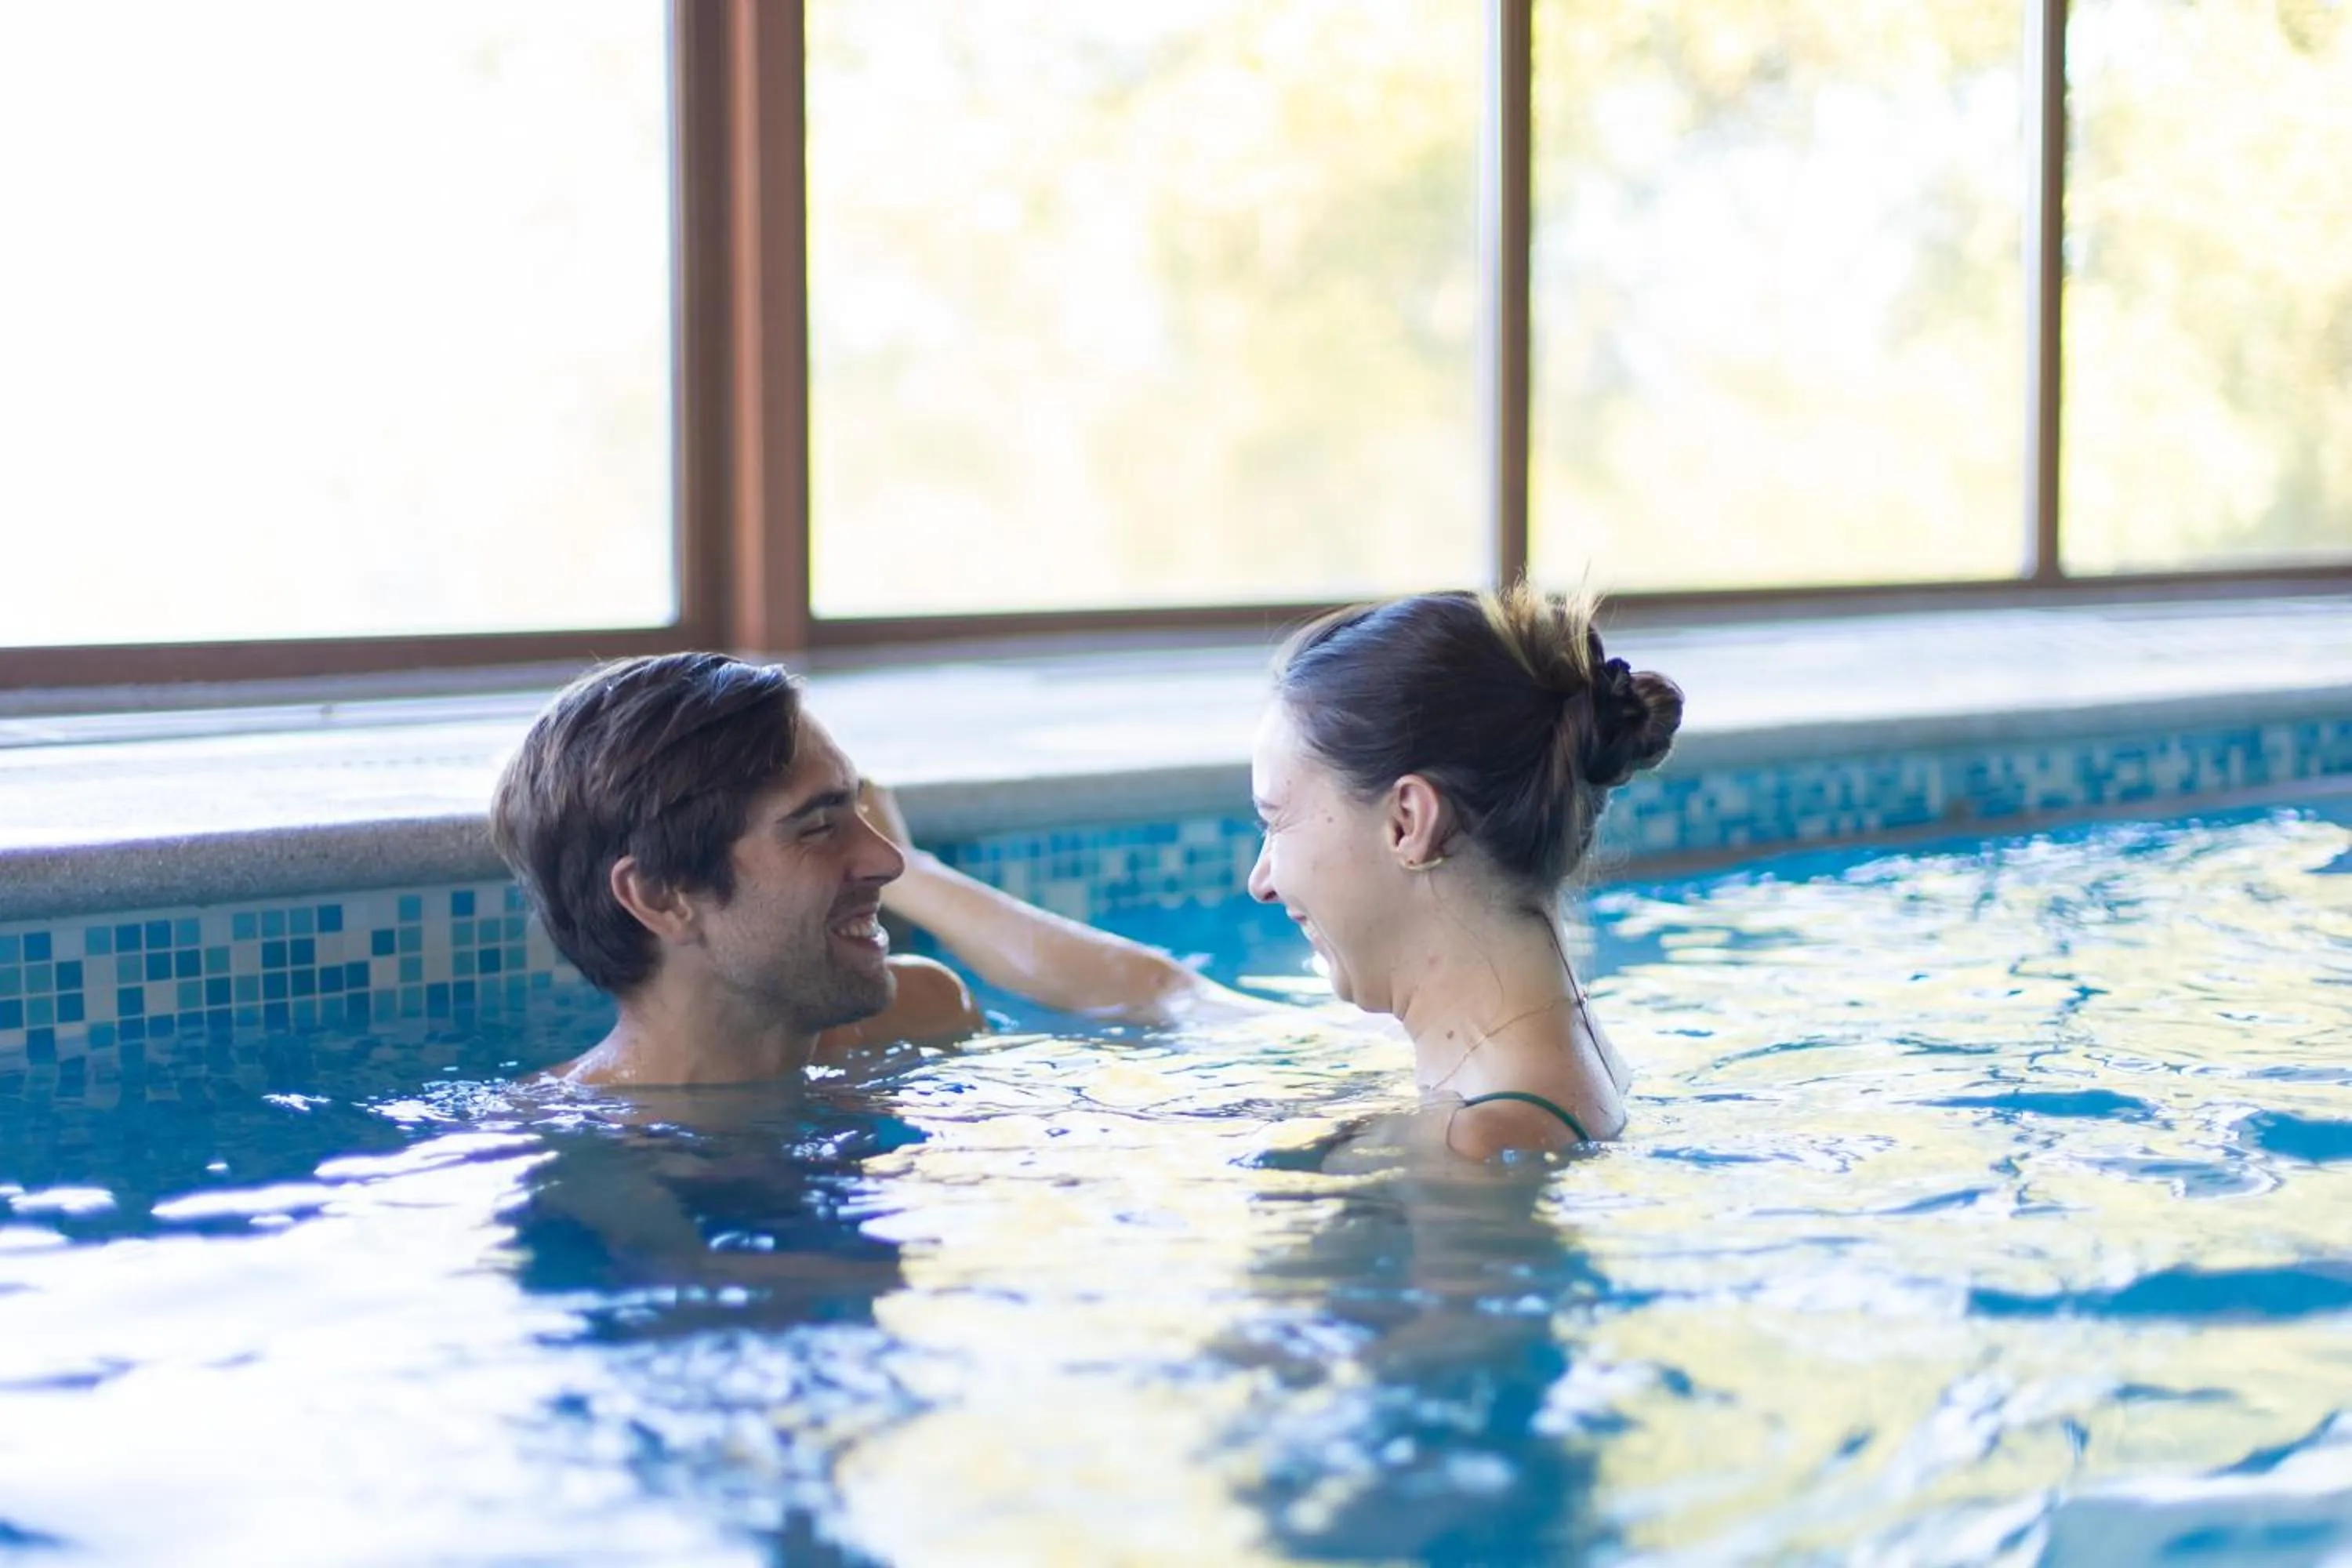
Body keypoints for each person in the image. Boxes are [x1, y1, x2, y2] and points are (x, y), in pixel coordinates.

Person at [879, 585, 1683, 1157]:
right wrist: (903, 870)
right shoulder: (1495, 1063)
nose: (1261, 879)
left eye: (1276, 820)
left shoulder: (1484, 1142)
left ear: (1407, 821)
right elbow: (1167, 993)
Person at [488, 652, 1210, 1087]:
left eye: (858, 813)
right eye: (818, 827)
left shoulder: (924, 1021)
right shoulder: (562, 1153)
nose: (887, 858)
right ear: (663, 894)